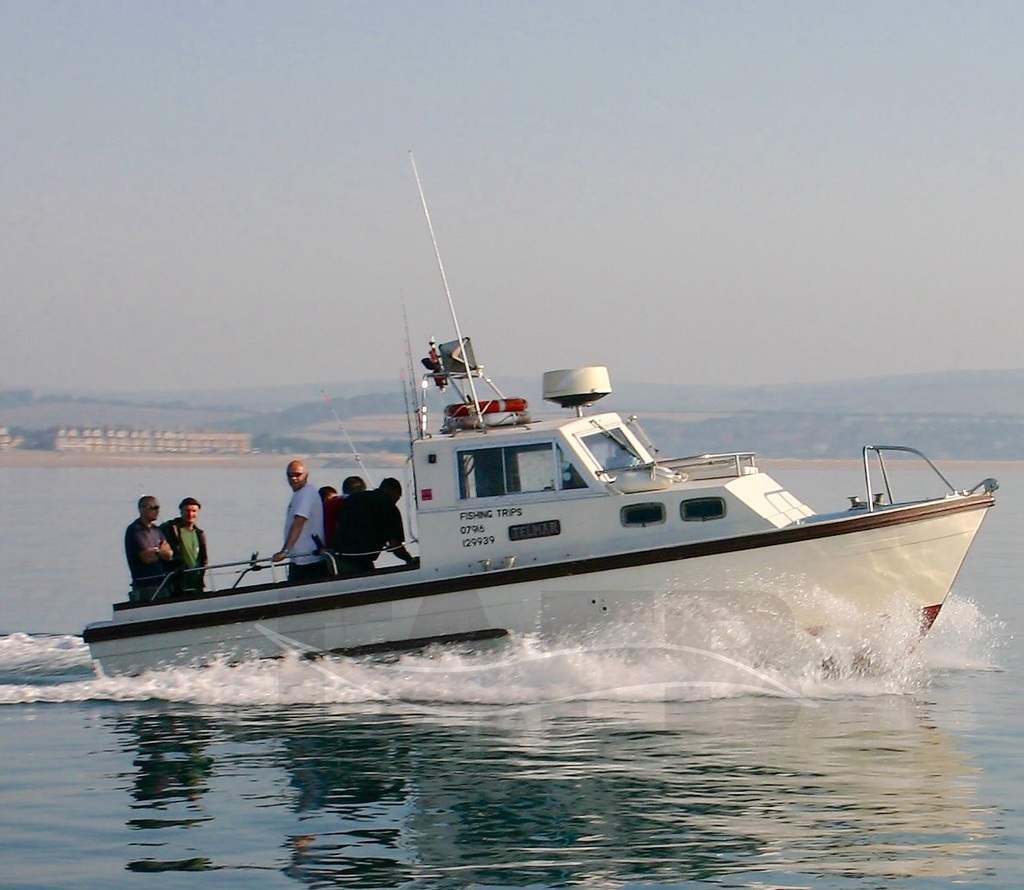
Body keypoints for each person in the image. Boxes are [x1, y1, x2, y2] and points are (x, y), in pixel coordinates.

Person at [331, 477, 417, 574]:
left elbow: (338, 525)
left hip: (337, 557)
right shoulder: (389, 507)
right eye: (398, 497)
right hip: (359, 562)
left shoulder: (354, 498)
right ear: (393, 491)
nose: (396, 501)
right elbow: (395, 546)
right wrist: (410, 559)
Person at [272, 459, 327, 582]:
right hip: (298, 559)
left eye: (297, 475)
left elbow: (299, 522)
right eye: (290, 475)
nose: (293, 478)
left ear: (306, 475)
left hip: (309, 559)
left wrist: (285, 551)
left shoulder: (307, 493)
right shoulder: (299, 493)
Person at [124, 495, 175, 601]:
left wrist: (155, 551)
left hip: (162, 583)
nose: (157, 511)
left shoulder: (157, 530)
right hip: (145, 586)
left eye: (158, 507)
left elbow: (169, 555)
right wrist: (160, 551)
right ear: (142, 509)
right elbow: (147, 558)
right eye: (153, 508)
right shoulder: (135, 530)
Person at [161, 497, 209, 595]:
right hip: (177, 583)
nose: (190, 514)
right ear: (181, 511)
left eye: (194, 511)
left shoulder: (199, 534)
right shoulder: (171, 528)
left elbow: (203, 558)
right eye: (187, 510)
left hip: (197, 582)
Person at [322, 475, 367, 543]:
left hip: (328, 545)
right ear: (362, 490)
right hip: (356, 545)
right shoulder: (363, 506)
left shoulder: (327, 506)